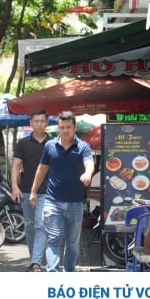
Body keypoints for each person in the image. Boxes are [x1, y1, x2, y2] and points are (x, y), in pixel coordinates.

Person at [30, 111, 94, 272]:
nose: (65, 130)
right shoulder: (50, 146)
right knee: (53, 239)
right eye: (61, 127)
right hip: (53, 202)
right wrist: (33, 191)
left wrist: (87, 174)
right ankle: (53, 273)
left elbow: (89, 163)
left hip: (75, 203)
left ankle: (69, 272)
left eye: (68, 127)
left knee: (72, 242)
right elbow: (42, 169)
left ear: (74, 127)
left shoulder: (83, 147)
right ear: (58, 127)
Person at [10, 109, 51, 272]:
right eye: (37, 121)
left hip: (47, 191)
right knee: (30, 226)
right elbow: (16, 166)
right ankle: (35, 260)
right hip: (26, 191)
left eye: (42, 121)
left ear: (46, 123)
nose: (40, 124)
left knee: (41, 225)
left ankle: (35, 263)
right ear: (31, 123)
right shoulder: (23, 143)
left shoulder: (53, 143)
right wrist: (14, 186)